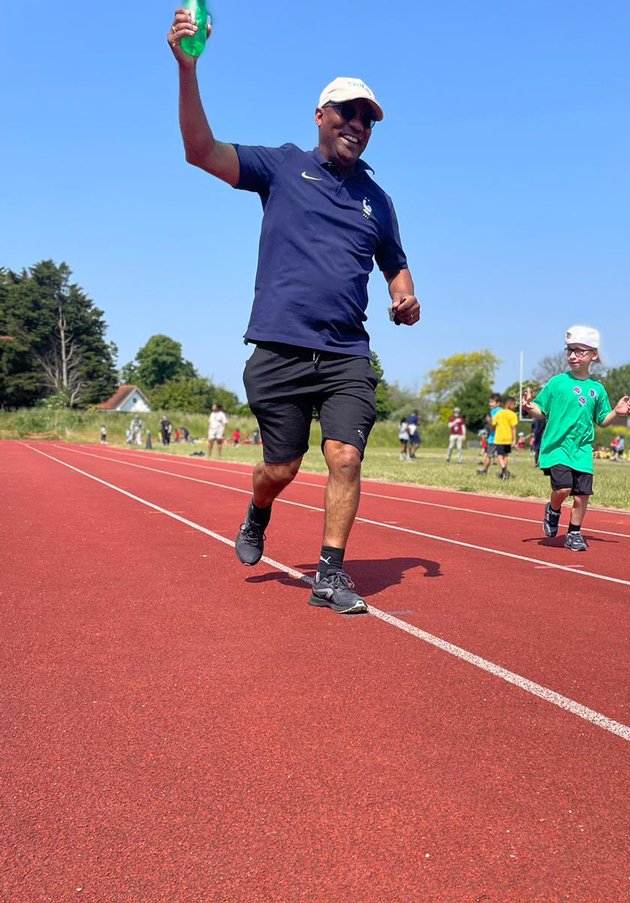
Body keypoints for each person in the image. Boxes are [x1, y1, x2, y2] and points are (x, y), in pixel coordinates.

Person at [168, 9, 419, 616]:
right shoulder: (281, 167)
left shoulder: (378, 200)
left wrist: (405, 296)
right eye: (348, 113)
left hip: (346, 353)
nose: (358, 125)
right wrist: (188, 69)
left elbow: (396, 264)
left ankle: (329, 574)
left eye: (367, 118)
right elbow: (200, 151)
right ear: (320, 115)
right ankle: (259, 510)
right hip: (280, 346)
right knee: (280, 468)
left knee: (345, 456)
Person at [522, 325, 630, 551]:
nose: (573, 356)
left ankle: (574, 533)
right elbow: (541, 411)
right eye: (570, 350)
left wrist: (616, 412)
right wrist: (529, 407)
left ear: (593, 354)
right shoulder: (557, 383)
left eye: (579, 351)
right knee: (563, 489)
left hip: (582, 450)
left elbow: (602, 419)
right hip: (558, 448)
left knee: (582, 496)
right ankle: (553, 509)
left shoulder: (597, 389)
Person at [491, 396, 519, 481]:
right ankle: (505, 472)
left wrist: (493, 429)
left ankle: (503, 470)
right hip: (508, 438)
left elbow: (493, 424)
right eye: (514, 404)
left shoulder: (499, 413)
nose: (515, 406)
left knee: (499, 455)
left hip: (499, 438)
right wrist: (514, 439)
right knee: (506, 455)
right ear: (509, 404)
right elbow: (514, 428)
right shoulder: (513, 415)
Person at [476, 394, 503, 475]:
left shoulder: (493, 412)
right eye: (489, 402)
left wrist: (489, 420)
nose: (490, 404)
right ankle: (504, 471)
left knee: (488, 455)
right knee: (502, 456)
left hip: (493, 437)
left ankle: (484, 471)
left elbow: (493, 424)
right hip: (502, 437)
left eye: (492, 402)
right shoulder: (503, 411)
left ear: (498, 403)